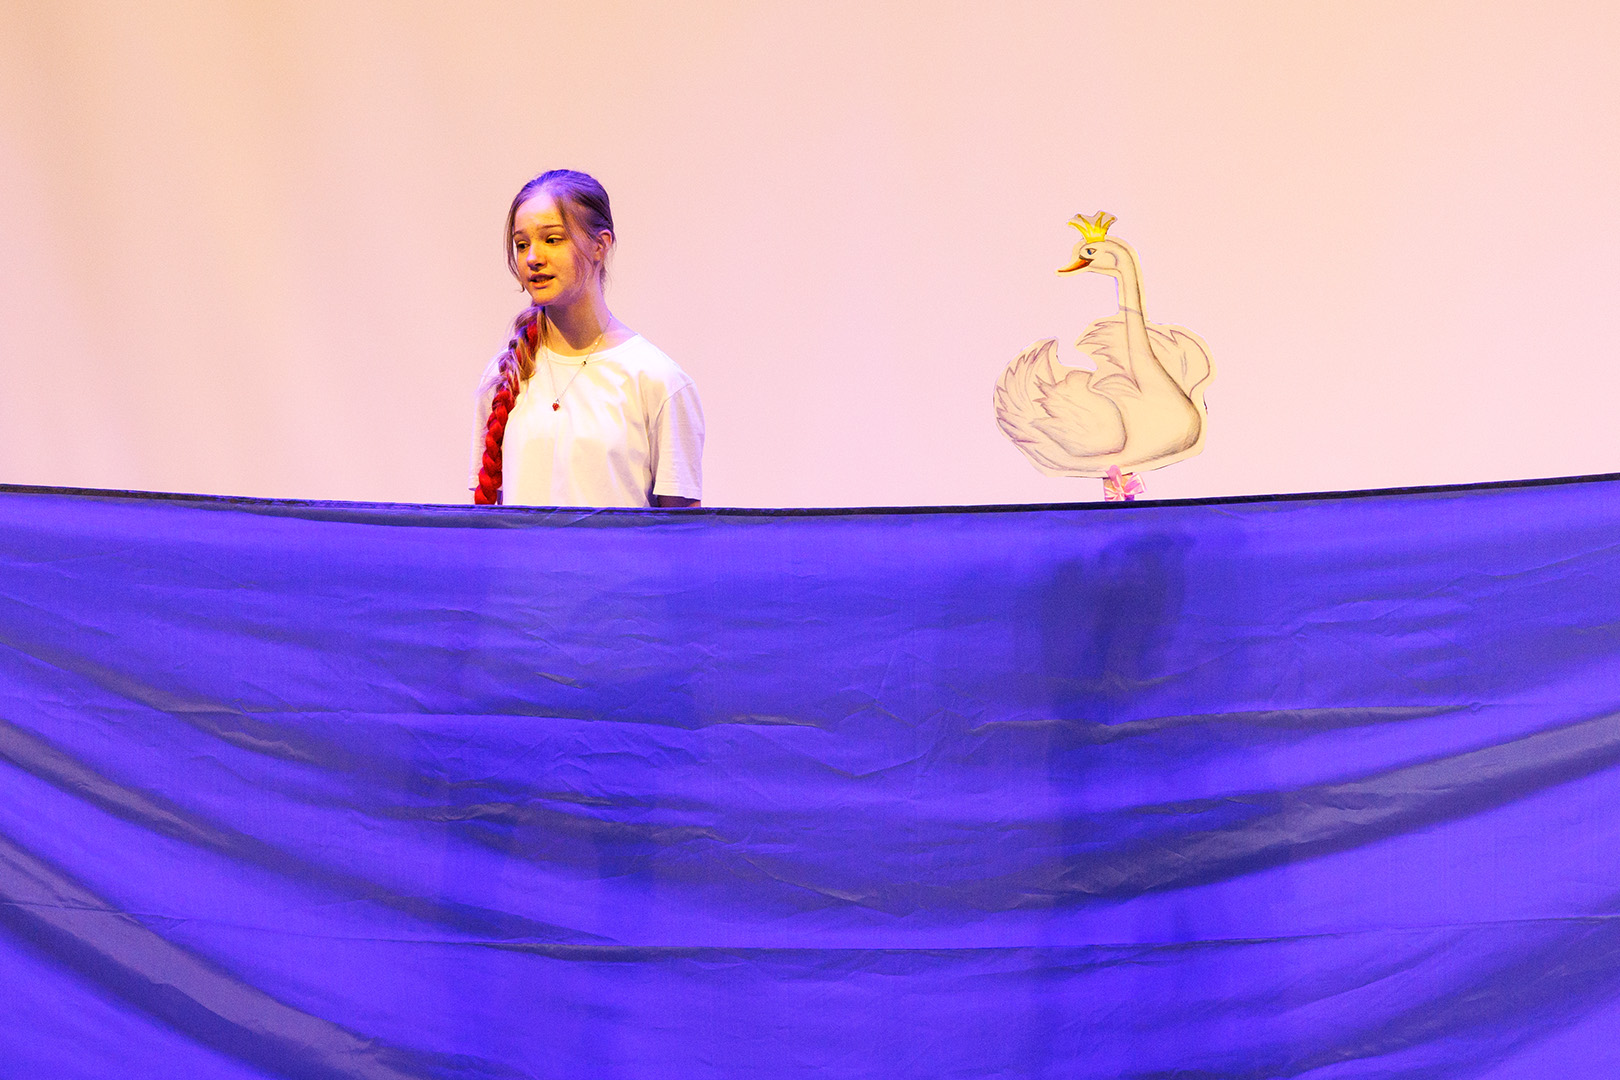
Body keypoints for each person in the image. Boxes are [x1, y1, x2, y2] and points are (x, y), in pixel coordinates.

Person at [470, 170, 704, 507]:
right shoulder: (504, 376)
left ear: (600, 245)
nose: (533, 258)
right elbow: (484, 522)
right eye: (522, 245)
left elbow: (682, 533)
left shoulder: (657, 381)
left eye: (552, 239)